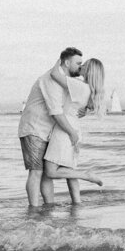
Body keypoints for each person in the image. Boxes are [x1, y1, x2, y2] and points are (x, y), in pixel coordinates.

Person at [18, 48, 84, 207]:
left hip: (50, 131)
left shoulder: (65, 80)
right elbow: (55, 112)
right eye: (78, 63)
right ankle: (33, 209)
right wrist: (72, 132)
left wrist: (82, 111)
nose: (80, 67)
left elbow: (68, 108)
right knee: (36, 172)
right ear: (67, 63)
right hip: (34, 129)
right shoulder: (51, 80)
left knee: (47, 175)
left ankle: (48, 208)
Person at [43, 57, 105, 204]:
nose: (80, 66)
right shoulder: (89, 89)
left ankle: (86, 175)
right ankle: (77, 204)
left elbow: (54, 75)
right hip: (75, 128)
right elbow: (80, 110)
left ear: (88, 70)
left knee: (50, 171)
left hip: (64, 130)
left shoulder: (79, 86)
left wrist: (62, 58)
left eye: (83, 65)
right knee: (69, 170)